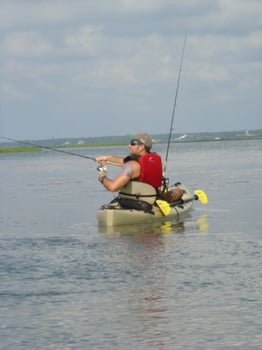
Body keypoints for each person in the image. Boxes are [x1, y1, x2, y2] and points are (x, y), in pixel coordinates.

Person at [96, 132, 163, 192]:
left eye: (132, 143)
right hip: (151, 198)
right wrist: (108, 158)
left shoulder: (131, 166)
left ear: (141, 147)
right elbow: (124, 161)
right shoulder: (151, 160)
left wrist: (102, 177)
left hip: (134, 202)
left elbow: (112, 187)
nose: (129, 146)